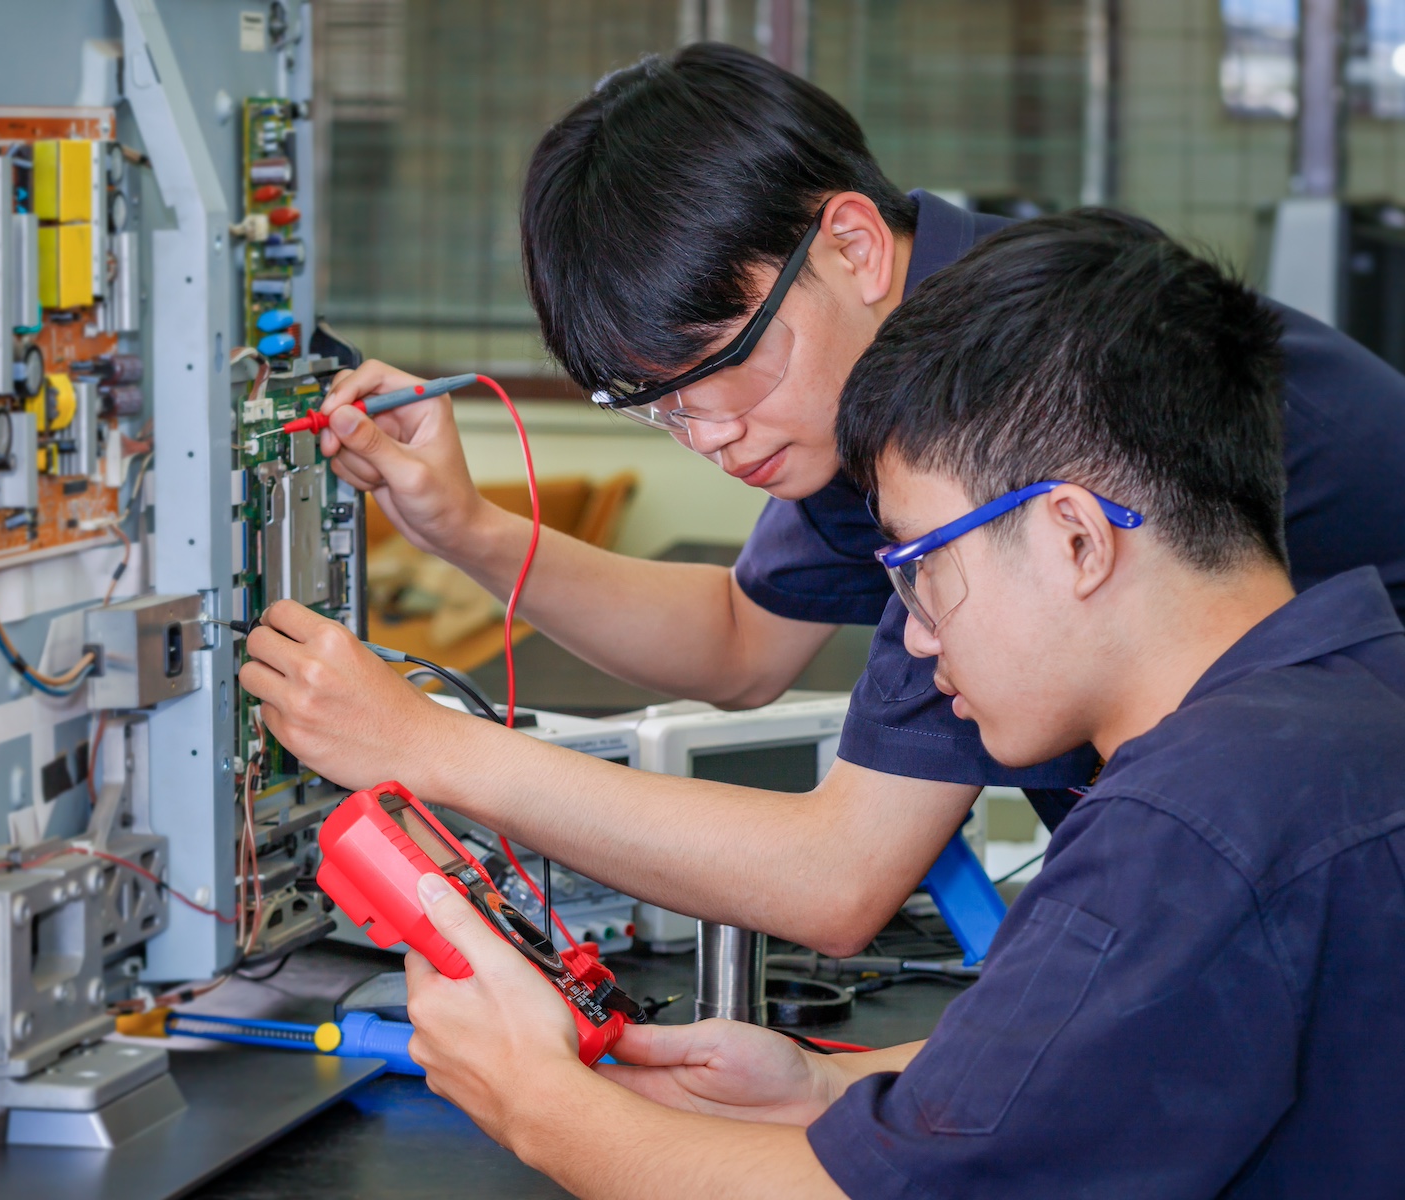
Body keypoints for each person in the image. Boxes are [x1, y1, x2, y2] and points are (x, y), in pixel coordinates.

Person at [238, 42, 1405, 957]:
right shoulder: (897, 361)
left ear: (850, 243)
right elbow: (744, 641)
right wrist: (466, 530)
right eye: (659, 408)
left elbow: (836, 879)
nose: (711, 438)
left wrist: (426, 748)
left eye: (723, 369)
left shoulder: (1015, 386)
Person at [383, 212, 1403, 1197]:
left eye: (919, 566)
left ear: (1078, 539)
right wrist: (829, 1085)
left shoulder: (1183, 829)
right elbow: (1119, 1057)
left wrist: (530, 1096)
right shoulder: (1354, 695)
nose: (913, 636)